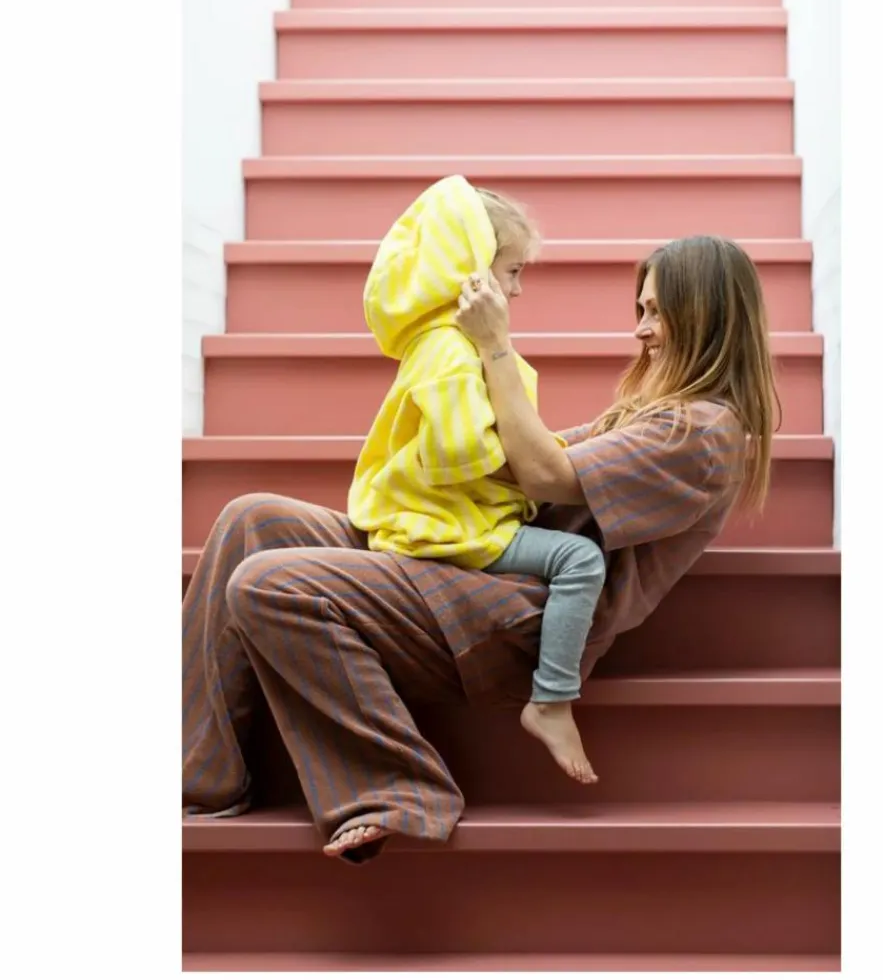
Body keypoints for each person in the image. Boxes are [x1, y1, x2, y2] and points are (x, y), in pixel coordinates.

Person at [182, 234, 779, 865]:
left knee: (267, 583)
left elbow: (542, 473)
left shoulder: (700, 435)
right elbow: (523, 456)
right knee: (252, 520)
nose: (641, 329)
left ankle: (400, 789)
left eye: (656, 311)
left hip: (522, 615)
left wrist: (495, 345)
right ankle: (200, 775)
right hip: (483, 560)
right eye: (641, 310)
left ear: (704, 314)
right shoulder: (652, 413)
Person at [348, 175, 605, 784]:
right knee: (581, 560)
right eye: (511, 272)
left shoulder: (447, 343)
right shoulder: (450, 351)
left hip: (451, 511)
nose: (516, 290)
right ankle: (551, 699)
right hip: (447, 523)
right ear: (469, 270)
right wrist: (530, 469)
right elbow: (458, 453)